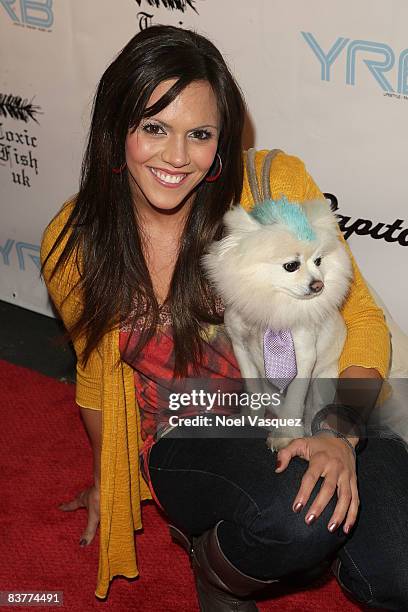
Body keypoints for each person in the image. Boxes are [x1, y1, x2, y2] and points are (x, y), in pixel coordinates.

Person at [40, 25, 408, 611]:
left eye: (200, 133)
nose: (177, 156)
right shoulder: (76, 240)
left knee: (399, 570)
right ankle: (222, 570)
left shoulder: (272, 186)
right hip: (193, 421)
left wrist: (340, 429)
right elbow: (94, 375)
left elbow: (359, 313)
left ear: (222, 137)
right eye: (154, 128)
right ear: (116, 128)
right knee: (301, 521)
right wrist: (111, 479)